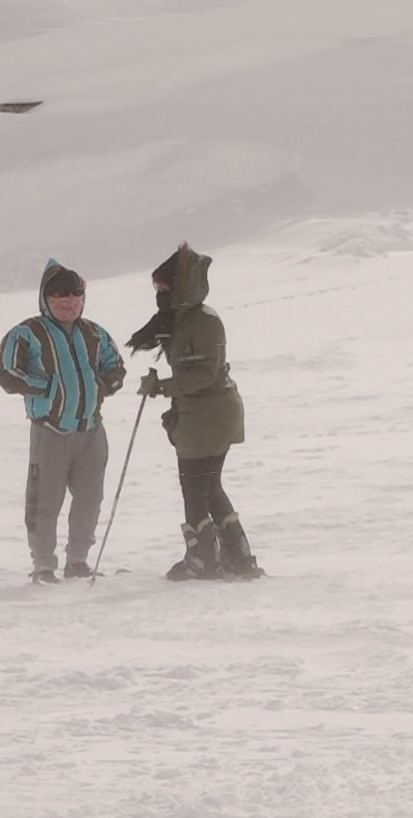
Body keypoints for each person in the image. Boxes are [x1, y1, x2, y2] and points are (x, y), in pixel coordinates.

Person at [129, 242, 262, 582]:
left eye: (164, 287)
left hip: (207, 415)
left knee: (194, 485)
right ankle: (237, 556)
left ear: (180, 287)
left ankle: (203, 559)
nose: (159, 294)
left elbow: (204, 374)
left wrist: (163, 387)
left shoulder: (201, 321)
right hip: (210, 413)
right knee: (209, 485)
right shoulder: (187, 318)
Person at [0, 260, 125, 583]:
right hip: (49, 431)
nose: (68, 303)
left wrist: (103, 385)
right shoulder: (26, 333)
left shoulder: (94, 333)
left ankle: (78, 561)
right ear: (45, 299)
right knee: (44, 501)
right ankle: (43, 565)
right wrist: (49, 389)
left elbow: (115, 364)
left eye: (74, 295)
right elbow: (8, 373)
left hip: (91, 431)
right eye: (59, 296)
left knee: (89, 500)